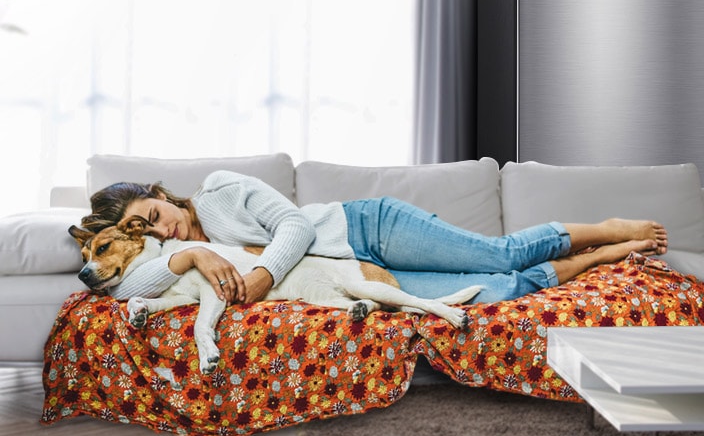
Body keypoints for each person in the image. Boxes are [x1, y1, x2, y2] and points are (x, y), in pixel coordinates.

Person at [79, 169, 668, 305]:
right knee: (498, 289)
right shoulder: (166, 250)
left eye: (157, 212)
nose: (163, 226)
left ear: (164, 193)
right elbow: (126, 290)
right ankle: (604, 258)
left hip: (368, 226)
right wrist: (192, 253)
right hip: (356, 273)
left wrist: (262, 275)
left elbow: (296, 226)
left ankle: (606, 229)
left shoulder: (220, 190)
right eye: (147, 226)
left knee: (501, 251)